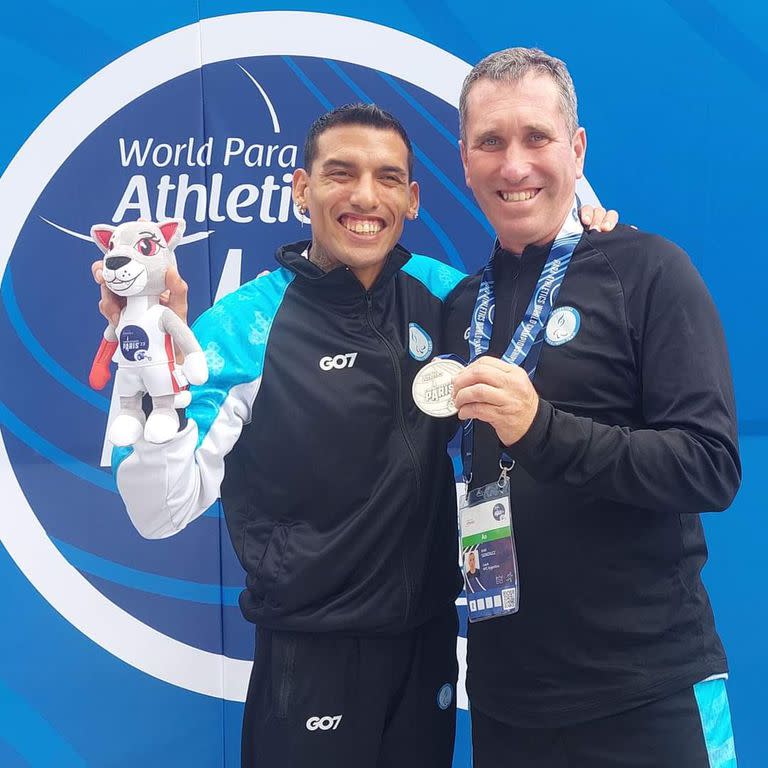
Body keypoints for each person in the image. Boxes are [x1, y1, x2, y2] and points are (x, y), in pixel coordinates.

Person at [93, 104, 615, 768]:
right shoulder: (245, 326)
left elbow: (544, 311)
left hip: (428, 649)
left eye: (388, 177)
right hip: (311, 657)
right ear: (301, 190)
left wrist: (588, 234)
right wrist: (158, 389)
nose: (365, 197)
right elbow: (158, 513)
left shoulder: (448, 300)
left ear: (413, 198)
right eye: (341, 173)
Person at [446, 47, 741, 767]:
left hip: (647, 694)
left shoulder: (649, 272)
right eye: (490, 141)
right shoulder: (458, 309)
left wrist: (541, 430)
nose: (514, 166)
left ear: (576, 150)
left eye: (536, 138)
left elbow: (711, 467)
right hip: (507, 703)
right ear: (464, 160)